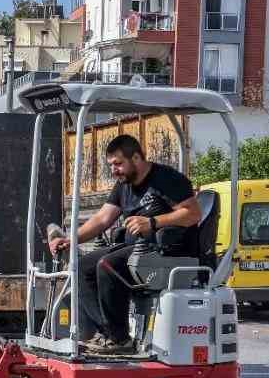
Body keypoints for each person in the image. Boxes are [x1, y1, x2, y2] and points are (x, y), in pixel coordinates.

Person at [48, 134, 203, 354]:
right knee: (81, 267)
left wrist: (153, 222)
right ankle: (111, 334)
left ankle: (119, 339)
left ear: (137, 158)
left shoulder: (168, 180)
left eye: (118, 164)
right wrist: (70, 240)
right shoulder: (124, 185)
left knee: (107, 265)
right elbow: (102, 219)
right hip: (136, 252)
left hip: (165, 253)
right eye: (111, 165)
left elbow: (193, 214)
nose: (114, 170)